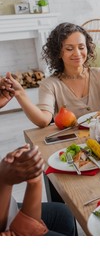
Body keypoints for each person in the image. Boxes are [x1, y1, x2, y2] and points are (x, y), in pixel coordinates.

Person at [2, 22, 100, 128]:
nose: (77, 53)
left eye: (81, 47)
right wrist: (20, 95)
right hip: (69, 145)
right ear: (58, 52)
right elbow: (43, 121)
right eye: (69, 48)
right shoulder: (50, 84)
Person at [0, 78, 76, 236]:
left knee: (63, 214)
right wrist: (7, 181)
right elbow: (22, 229)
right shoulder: (51, 83)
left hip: (8, 209)